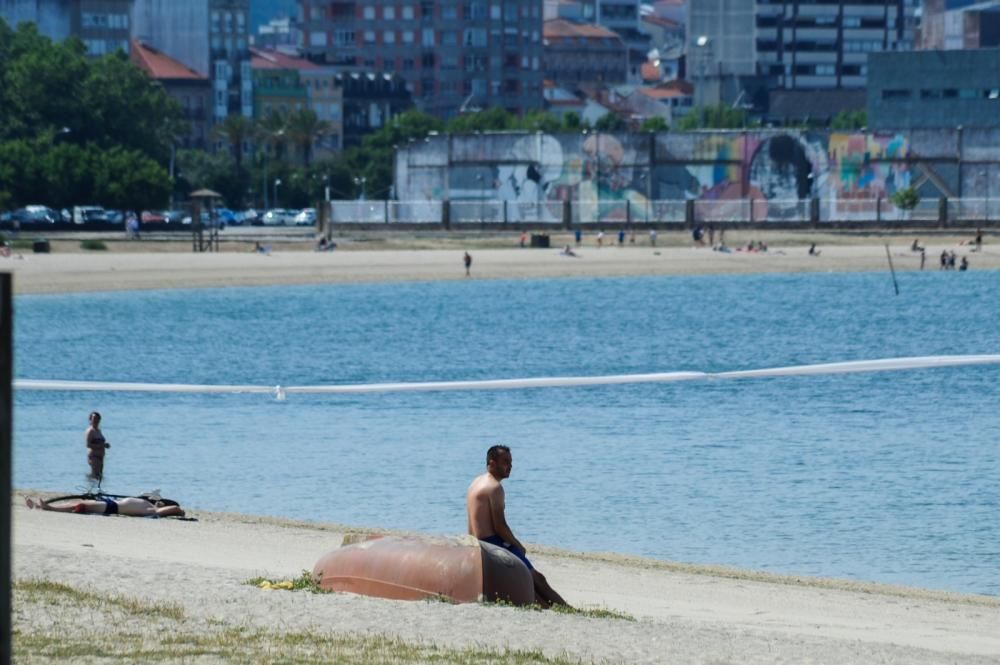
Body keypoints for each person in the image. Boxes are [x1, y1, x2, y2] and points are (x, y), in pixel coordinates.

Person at [466, 445, 569, 608]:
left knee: (530, 581)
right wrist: (517, 545)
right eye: (505, 462)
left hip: (478, 543)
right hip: (492, 543)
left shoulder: (475, 482)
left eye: (511, 462)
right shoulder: (494, 488)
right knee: (536, 579)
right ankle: (565, 609)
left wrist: (471, 545)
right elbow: (500, 526)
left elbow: (471, 524)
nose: (510, 466)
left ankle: (553, 607)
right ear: (492, 464)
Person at [25, 494, 185, 518]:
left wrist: (179, 510)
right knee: (80, 505)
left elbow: (176, 510)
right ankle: (44, 508)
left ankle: (48, 508)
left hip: (112, 508)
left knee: (80, 506)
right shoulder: (147, 502)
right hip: (111, 503)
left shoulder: (152, 509)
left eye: (161, 502)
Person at [85, 411, 110, 486]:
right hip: (94, 456)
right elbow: (88, 445)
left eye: (97, 419)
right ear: (90, 420)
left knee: (100, 476)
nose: (95, 421)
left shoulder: (98, 431)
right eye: (94, 419)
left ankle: (98, 490)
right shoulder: (90, 431)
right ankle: (90, 489)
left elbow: (101, 443)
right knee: (94, 476)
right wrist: (101, 446)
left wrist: (106, 445)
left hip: (101, 456)